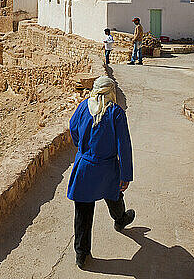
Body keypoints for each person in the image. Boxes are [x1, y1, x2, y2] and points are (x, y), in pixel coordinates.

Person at [67, 76, 134, 269]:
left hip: (85, 167)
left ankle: (81, 254)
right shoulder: (115, 113)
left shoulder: (83, 107)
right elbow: (124, 146)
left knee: (83, 213)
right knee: (114, 195)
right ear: (111, 92)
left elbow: (73, 128)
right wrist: (126, 175)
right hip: (106, 168)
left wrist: (82, 149)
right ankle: (120, 220)